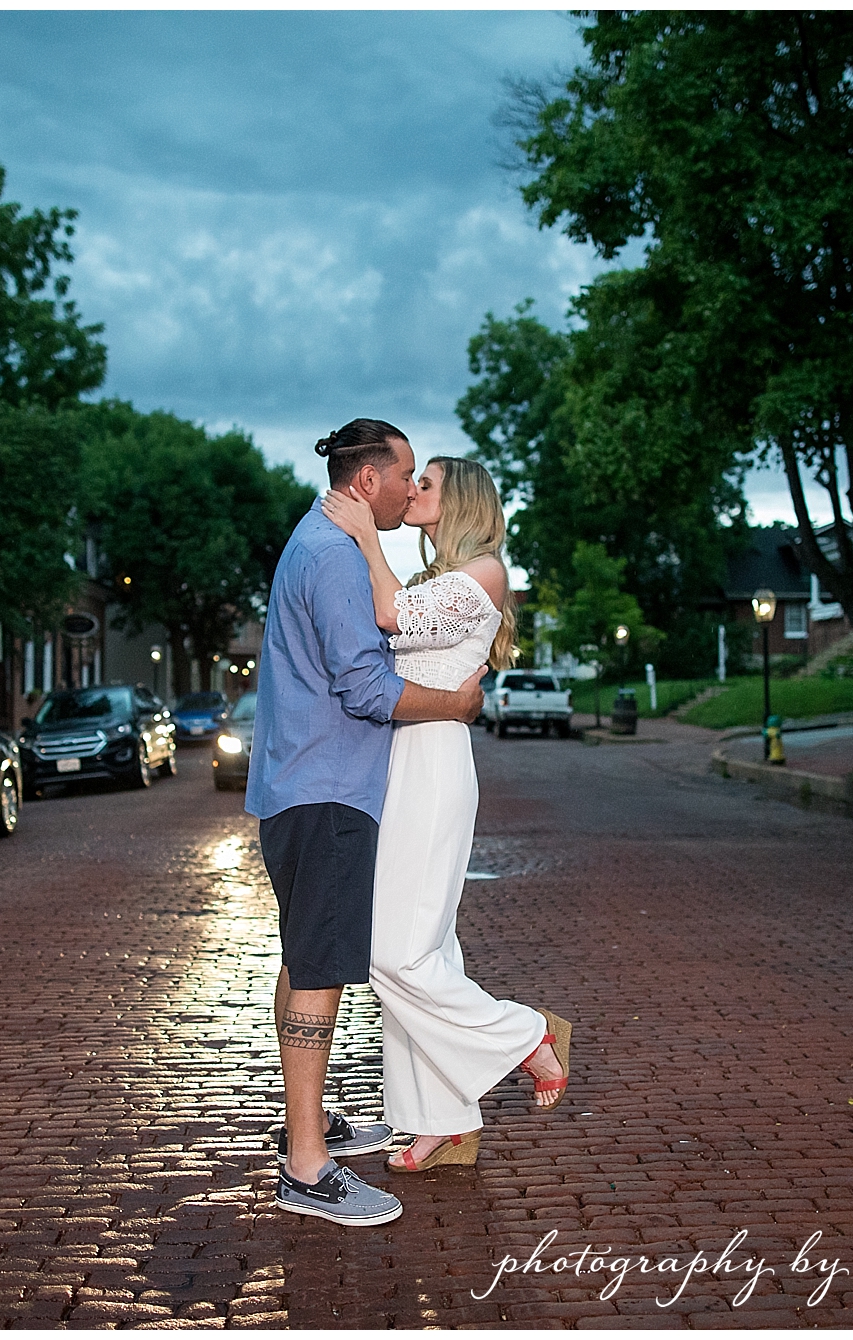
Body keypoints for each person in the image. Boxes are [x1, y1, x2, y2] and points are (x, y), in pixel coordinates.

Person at [247, 418, 486, 1228]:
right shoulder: (335, 558)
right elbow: (366, 690)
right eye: (405, 474)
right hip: (328, 791)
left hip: (297, 786)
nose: (411, 487)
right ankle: (307, 1168)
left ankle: (308, 1128)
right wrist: (456, 704)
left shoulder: (316, 542)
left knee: (303, 956)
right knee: (319, 970)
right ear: (367, 481)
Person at [321, 456, 571, 1174]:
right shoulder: (441, 577)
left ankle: (525, 1034)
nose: (412, 491)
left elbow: (390, 616)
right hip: (402, 762)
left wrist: (368, 537)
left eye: (425, 483)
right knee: (423, 952)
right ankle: (444, 1122)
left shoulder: (485, 571)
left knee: (391, 953)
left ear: (458, 500)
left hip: (434, 766)